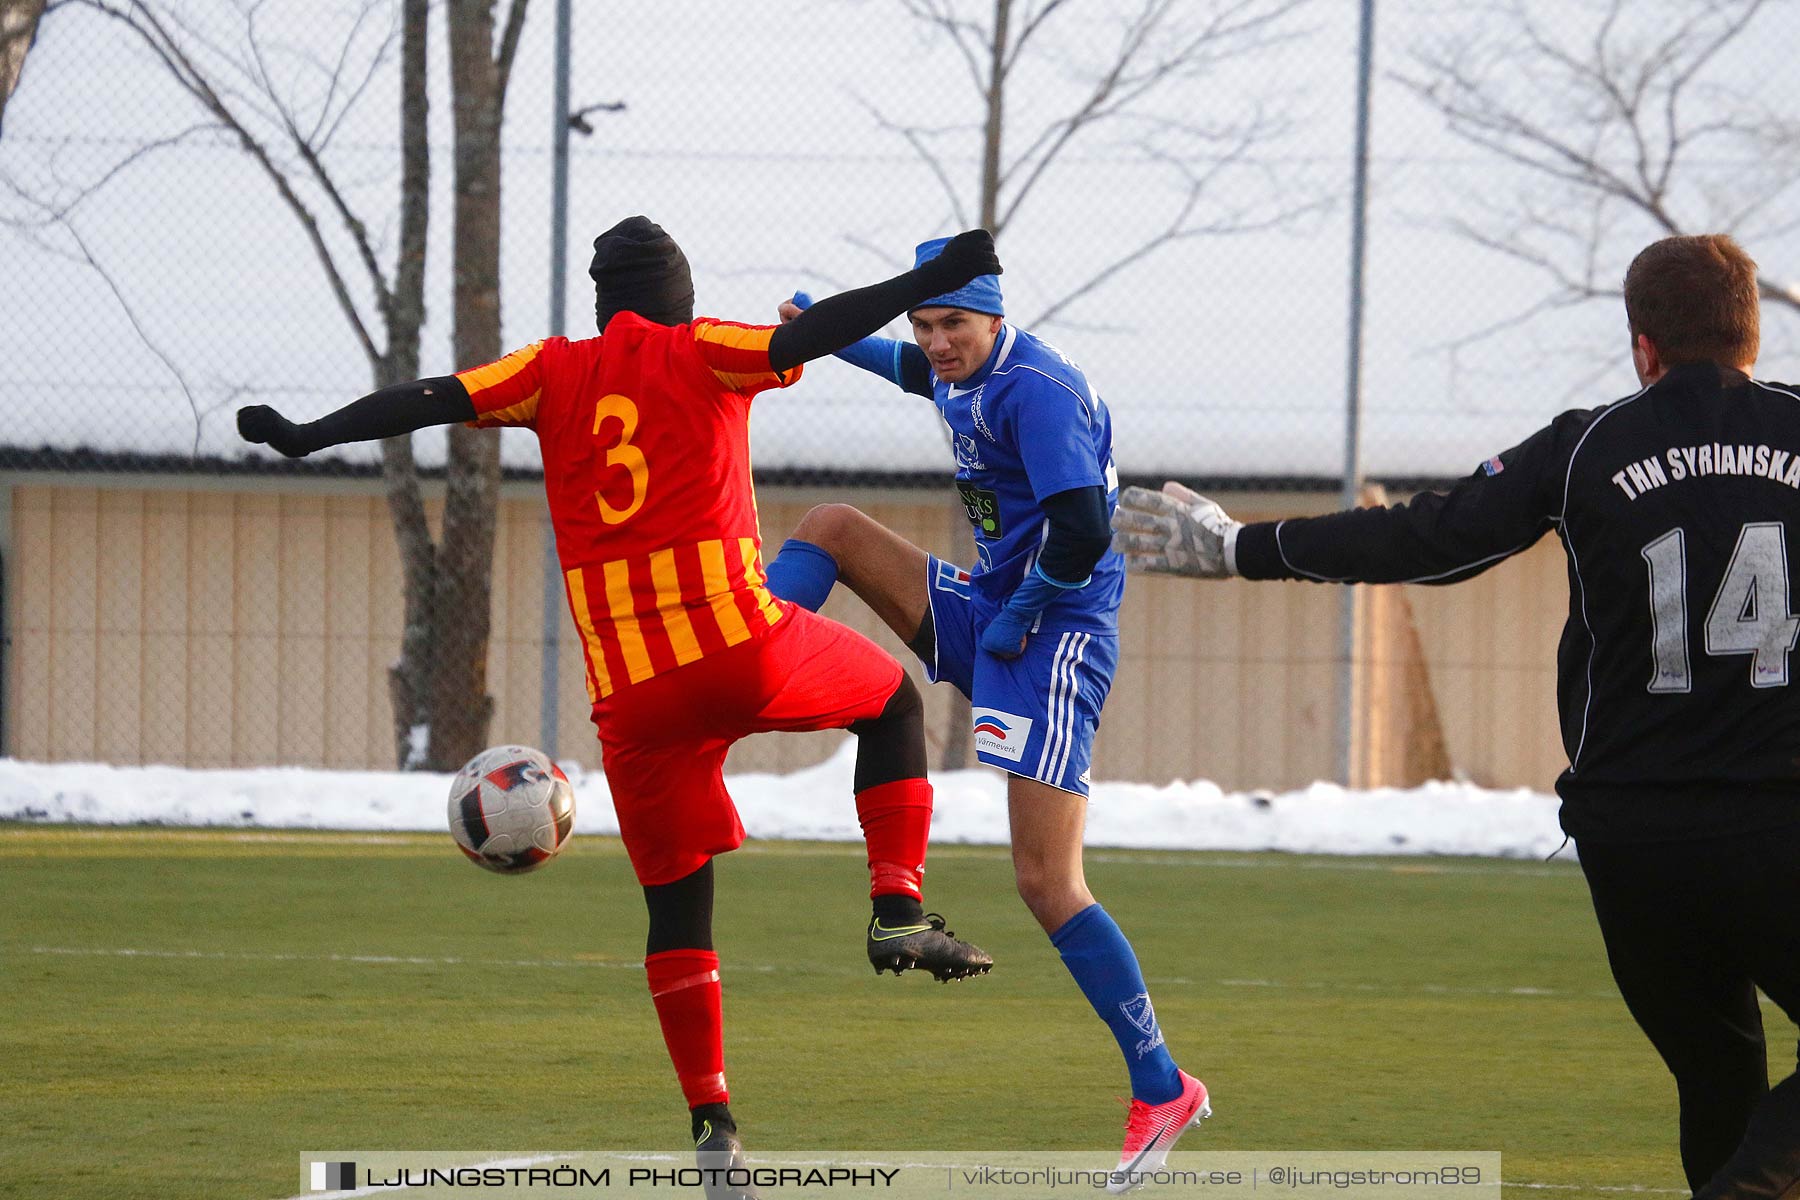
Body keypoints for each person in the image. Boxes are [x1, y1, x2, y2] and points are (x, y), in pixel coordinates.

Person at [236, 216, 1002, 1196]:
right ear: (678, 296)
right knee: (891, 701)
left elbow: (431, 397)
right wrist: (924, 278)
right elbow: (803, 339)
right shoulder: (703, 350)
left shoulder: (552, 373)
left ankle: (714, 1121)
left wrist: (310, 434)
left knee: (678, 901)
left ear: (606, 304)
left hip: (635, 701)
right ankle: (897, 908)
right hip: (737, 649)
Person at [1113, 233, 1800, 1200]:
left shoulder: (1586, 445)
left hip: (1632, 838)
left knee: (1715, 1081)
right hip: (1779, 825)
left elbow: (1432, 537)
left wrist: (1241, 547)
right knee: (1749, 1143)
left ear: (1642, 346)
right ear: (1755, 336)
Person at [765, 241, 1208, 1194]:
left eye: (952, 325)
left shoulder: (1034, 391)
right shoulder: (957, 364)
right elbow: (910, 370)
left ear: (994, 314)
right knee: (830, 527)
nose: (937, 343)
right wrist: (832, 338)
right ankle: (747, 648)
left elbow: (1089, 525)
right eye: (924, 325)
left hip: (1054, 636)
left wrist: (1020, 609)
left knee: (1047, 882)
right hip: (994, 605)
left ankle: (1162, 1086)